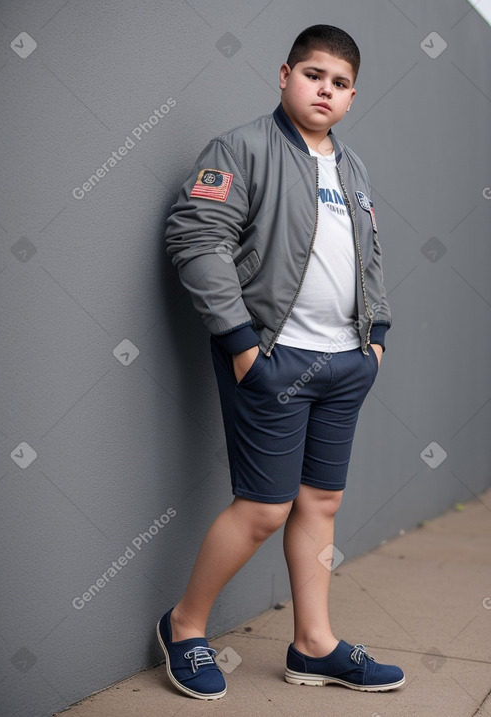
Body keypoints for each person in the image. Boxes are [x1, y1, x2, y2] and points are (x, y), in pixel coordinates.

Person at [158, 24, 405, 700]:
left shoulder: (351, 168)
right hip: (272, 358)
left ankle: (314, 643)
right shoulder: (241, 148)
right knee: (264, 508)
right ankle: (184, 625)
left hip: (344, 362)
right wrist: (240, 343)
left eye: (340, 83)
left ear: (352, 97)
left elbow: (370, 259)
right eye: (313, 74)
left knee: (321, 501)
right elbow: (196, 236)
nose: (325, 89)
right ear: (284, 75)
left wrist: (374, 339)